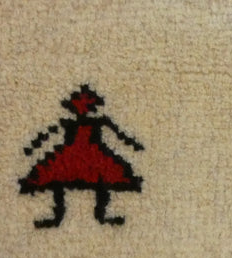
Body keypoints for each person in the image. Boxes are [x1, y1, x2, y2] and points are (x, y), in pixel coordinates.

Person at [19, 85, 144, 227]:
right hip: (77, 157)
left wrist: (133, 143)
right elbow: (48, 133)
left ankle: (96, 215)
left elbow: (120, 134)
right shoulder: (70, 123)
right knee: (64, 178)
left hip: (88, 156)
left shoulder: (95, 121)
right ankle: (61, 216)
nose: (82, 110)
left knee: (71, 178)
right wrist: (133, 144)